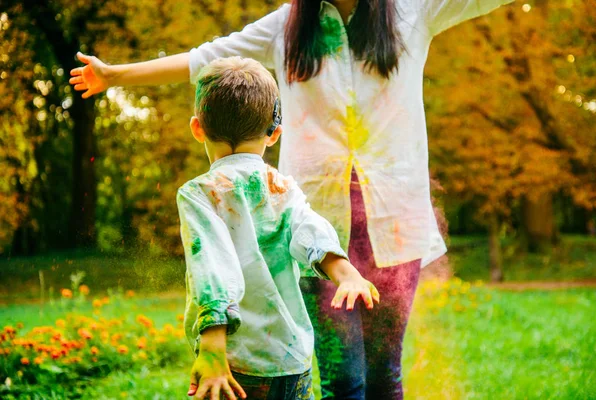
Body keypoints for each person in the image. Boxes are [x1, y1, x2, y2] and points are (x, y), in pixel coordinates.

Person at [69, 1, 515, 398]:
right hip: (314, 224)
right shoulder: (287, 25)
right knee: (342, 380)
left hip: (395, 222)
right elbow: (207, 57)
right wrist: (114, 75)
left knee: (385, 376)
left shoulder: (411, 12)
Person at [176, 56, 379, 400]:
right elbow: (309, 229)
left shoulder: (200, 193)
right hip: (292, 359)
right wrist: (346, 273)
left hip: (237, 362)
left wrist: (212, 347)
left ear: (198, 128)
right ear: (274, 134)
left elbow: (211, 264)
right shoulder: (281, 187)